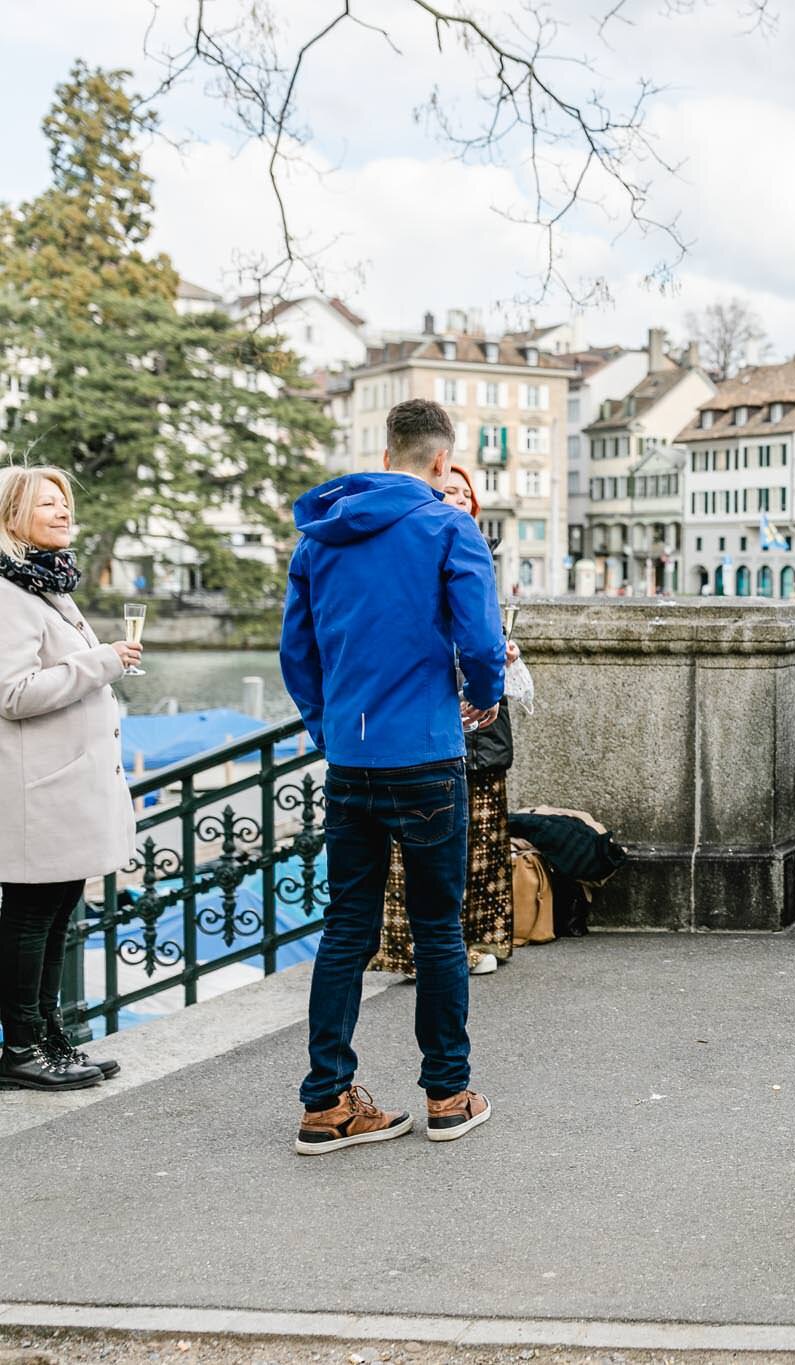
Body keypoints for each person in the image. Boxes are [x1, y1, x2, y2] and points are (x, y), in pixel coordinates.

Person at [280, 398, 504, 1153]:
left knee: (346, 927)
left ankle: (325, 1103)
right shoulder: (448, 525)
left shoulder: (320, 537)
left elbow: (297, 653)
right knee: (439, 928)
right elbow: (481, 640)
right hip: (427, 757)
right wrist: (483, 694)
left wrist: (330, 726)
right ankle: (447, 1093)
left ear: (388, 450)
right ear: (442, 461)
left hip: (352, 761)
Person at [0, 468, 137, 1091]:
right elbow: (13, 693)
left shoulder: (45, 583)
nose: (62, 511)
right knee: (31, 918)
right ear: (10, 515)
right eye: (45, 503)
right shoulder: (8, 593)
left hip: (62, 787)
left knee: (56, 915)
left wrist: (98, 663)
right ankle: (23, 1048)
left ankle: (51, 1038)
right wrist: (101, 661)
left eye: (64, 502)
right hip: (36, 792)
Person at [369, 465, 520, 980]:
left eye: (464, 493)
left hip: (474, 734)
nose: (456, 499)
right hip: (433, 725)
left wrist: (502, 662)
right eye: (447, 491)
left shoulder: (472, 548)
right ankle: (427, 953)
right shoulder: (427, 547)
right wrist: (485, 681)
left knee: (475, 844)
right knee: (428, 850)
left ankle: (471, 942)